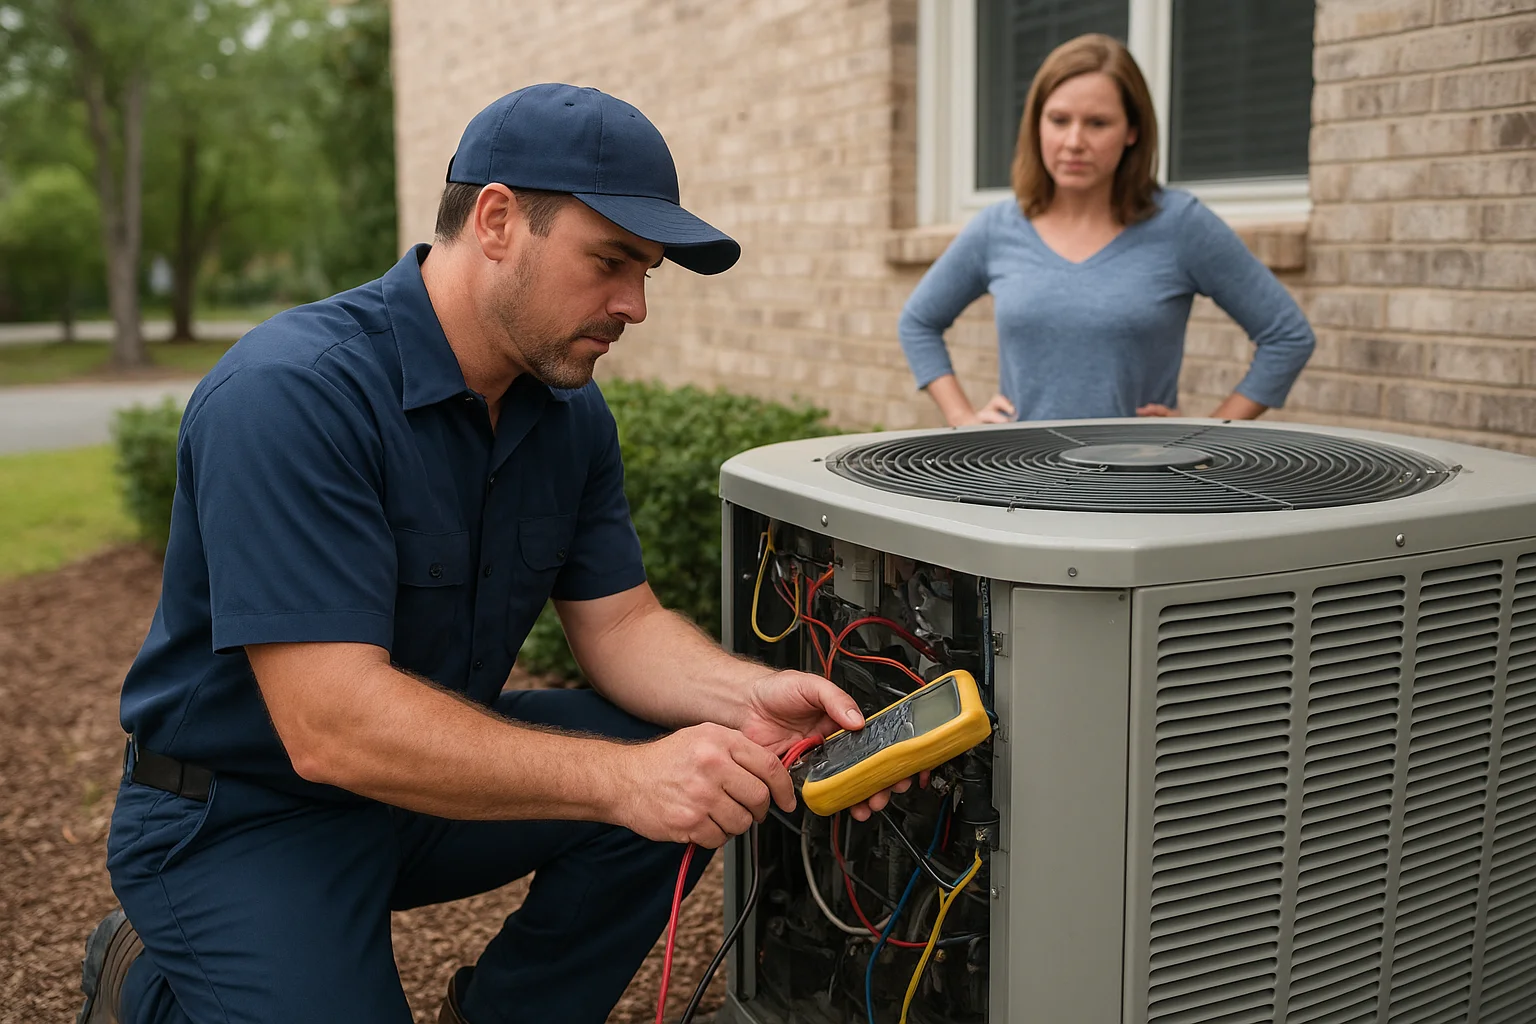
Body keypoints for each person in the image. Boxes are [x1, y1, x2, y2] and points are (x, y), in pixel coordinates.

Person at [77, 83, 908, 1024]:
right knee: (645, 773)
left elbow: (623, 623)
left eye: (648, 273)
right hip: (240, 814)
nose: (634, 305)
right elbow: (331, 725)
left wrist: (744, 700)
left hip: (420, 782)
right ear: (499, 219)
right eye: (610, 262)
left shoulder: (567, 413)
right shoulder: (292, 395)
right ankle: (141, 983)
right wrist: (628, 782)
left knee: (696, 762)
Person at [898, 34, 1315, 426]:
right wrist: (962, 419)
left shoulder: (1181, 225)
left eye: (1098, 123)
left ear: (1132, 131)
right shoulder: (997, 228)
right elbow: (918, 321)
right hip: (1020, 485)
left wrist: (1205, 433)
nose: (1074, 141)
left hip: (1135, 488)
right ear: (1036, 125)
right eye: (1059, 120)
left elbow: (1287, 336)